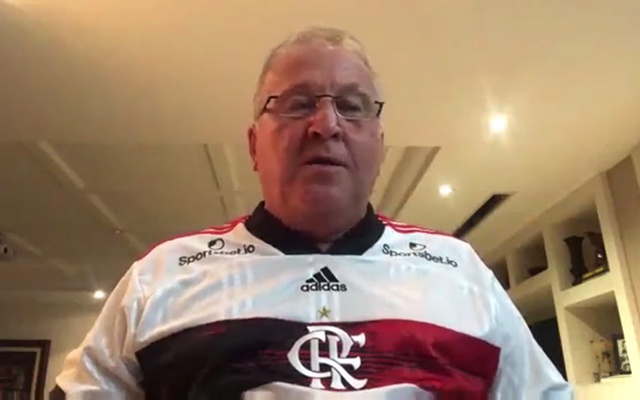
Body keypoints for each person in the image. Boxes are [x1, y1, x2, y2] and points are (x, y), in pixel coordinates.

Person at [52, 27, 572, 399]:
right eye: (298, 103)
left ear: (380, 146)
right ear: (254, 146)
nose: (326, 125)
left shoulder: (461, 274)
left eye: (352, 105)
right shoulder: (160, 278)